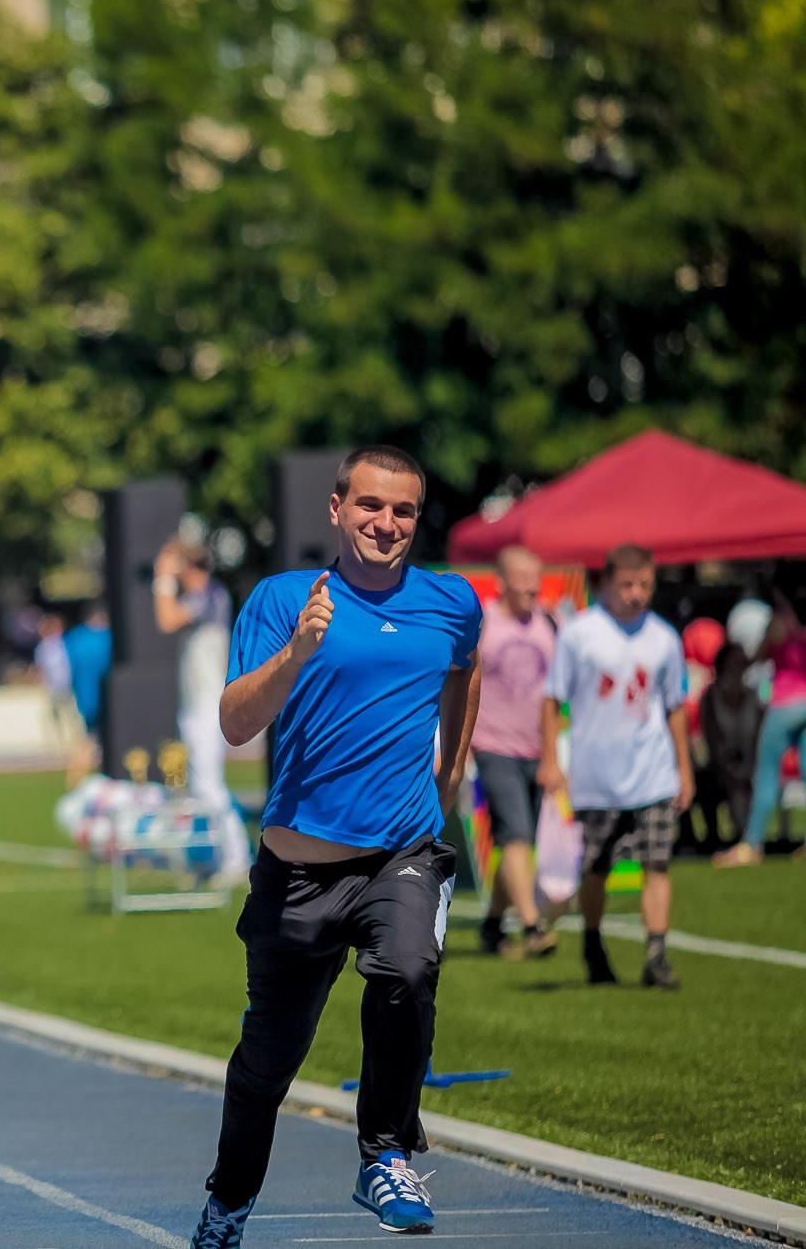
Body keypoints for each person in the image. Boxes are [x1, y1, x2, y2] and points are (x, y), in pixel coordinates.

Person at [190, 447, 480, 1248]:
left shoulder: (452, 601)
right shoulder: (286, 599)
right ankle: (229, 1201)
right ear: (337, 508)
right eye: (370, 506)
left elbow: (465, 670)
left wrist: (450, 774)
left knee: (408, 970)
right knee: (267, 1062)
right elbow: (235, 723)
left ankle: (385, 1153)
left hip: (401, 854)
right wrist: (298, 651)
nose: (386, 523)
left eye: (403, 510)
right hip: (299, 874)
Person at [540, 543, 694, 988]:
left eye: (644, 585)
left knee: (657, 863)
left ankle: (656, 956)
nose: (636, 594)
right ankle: (592, 944)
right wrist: (551, 760)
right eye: (627, 585)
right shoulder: (579, 634)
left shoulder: (664, 638)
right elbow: (552, 699)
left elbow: (675, 707)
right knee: (596, 868)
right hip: (596, 776)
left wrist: (683, 769)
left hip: (653, 773)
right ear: (606, 583)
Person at [471, 546, 559, 958]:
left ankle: (492, 924)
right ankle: (532, 926)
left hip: (537, 751)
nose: (532, 587)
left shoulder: (548, 623)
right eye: (523, 579)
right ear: (502, 582)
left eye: (536, 578)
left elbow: (554, 695)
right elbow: (457, 681)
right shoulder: (484, 622)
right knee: (515, 833)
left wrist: (553, 756)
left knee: (519, 843)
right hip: (493, 746)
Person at [715, 589, 806, 867]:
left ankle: (751, 844)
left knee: (765, 774)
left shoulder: (779, 622)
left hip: (784, 704)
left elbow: (757, 657)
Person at [153, 540, 233, 806]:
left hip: (208, 704)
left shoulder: (208, 594)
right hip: (199, 703)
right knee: (200, 789)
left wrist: (162, 580)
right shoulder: (209, 594)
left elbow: (167, 620)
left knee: (208, 788)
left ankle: (232, 836)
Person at [699, 643, 761, 851]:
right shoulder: (711, 698)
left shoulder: (753, 697)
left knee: (747, 786)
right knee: (730, 786)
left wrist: (749, 770)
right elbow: (713, 742)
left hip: (750, 766)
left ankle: (748, 838)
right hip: (721, 767)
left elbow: (759, 740)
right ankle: (744, 839)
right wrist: (729, 771)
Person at [63, 606, 113, 745]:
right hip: (105, 693)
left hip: (83, 692)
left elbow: (67, 667)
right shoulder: (107, 637)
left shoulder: (74, 637)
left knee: (90, 732)